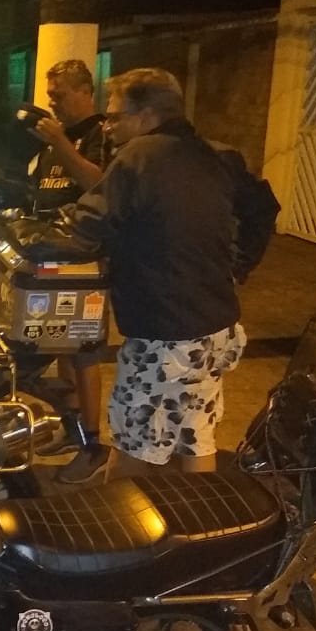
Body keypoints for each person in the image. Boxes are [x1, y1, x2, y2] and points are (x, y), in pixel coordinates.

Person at [67, 67, 248, 478]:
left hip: (164, 333)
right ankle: (200, 511)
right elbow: (260, 208)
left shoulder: (140, 154)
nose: (107, 126)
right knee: (195, 433)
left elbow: (90, 222)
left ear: (147, 115)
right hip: (214, 326)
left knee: (133, 441)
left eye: (116, 116)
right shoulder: (215, 154)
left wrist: (44, 239)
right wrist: (239, 264)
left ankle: (118, 513)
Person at [30, 59, 110, 483]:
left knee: (84, 349)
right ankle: (72, 426)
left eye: (60, 95)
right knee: (62, 341)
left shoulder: (100, 134)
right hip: (54, 253)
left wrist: (61, 143)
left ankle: (94, 445)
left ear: (84, 91)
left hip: (85, 260)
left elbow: (100, 184)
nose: (53, 103)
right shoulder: (55, 137)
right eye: (50, 96)